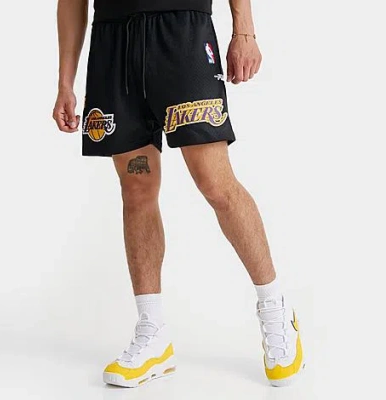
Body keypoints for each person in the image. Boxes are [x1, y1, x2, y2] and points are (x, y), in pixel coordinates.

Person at [53, 0, 304, 388]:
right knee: (136, 188)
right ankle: (153, 332)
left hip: (181, 32)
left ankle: (275, 310)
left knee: (215, 183)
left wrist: (244, 31)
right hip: (113, 42)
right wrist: (64, 82)